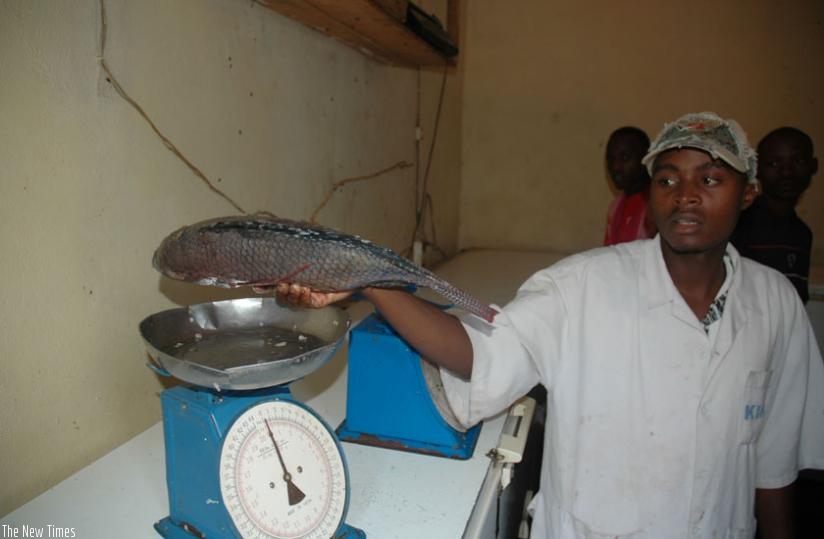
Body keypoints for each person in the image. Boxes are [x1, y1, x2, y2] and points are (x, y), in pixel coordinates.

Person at [273, 112, 824, 538]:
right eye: (667, 179)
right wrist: (374, 281)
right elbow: (481, 354)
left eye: (711, 178)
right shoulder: (580, 287)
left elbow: (774, 467)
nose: (685, 196)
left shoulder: (776, 305)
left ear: (748, 193)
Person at [732, 127, 818, 303]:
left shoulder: (802, 233)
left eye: (798, 161)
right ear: (756, 169)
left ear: (813, 166)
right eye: (773, 163)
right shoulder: (738, 222)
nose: (787, 172)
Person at [603, 126, 657, 245]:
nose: (615, 167)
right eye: (611, 159)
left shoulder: (658, 206)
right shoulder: (615, 208)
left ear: (646, 158)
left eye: (625, 157)